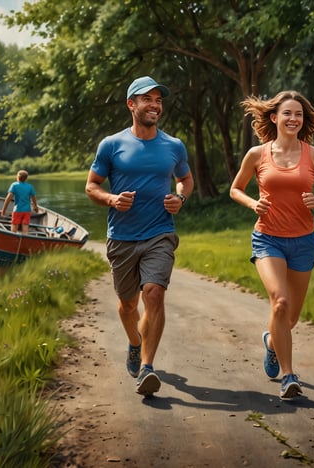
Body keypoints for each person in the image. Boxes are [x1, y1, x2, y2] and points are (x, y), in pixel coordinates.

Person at [86, 76, 194, 396]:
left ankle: (147, 366)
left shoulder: (173, 145)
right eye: (147, 99)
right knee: (127, 304)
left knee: (154, 294)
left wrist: (180, 198)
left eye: (158, 100)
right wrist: (111, 200)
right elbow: (91, 186)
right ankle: (135, 342)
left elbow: (185, 180)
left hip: (160, 231)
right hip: (122, 235)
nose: (155, 105)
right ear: (131, 104)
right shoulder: (111, 145)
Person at [229, 90, 314, 399]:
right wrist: (253, 204)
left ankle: (273, 343)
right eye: (287, 113)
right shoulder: (256, 154)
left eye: (299, 114)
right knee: (280, 302)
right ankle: (289, 376)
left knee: (290, 319)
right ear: (274, 117)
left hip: (303, 242)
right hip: (268, 238)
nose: (293, 119)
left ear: (304, 121)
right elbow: (235, 189)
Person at [0, 169, 39, 235]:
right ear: (26, 179)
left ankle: (13, 241)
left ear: (17, 177)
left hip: (17, 211)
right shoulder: (30, 187)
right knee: (25, 228)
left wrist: (3, 210)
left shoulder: (14, 185)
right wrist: (35, 207)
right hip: (27, 211)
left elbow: (8, 199)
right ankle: (24, 240)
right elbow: (34, 198)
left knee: (14, 229)